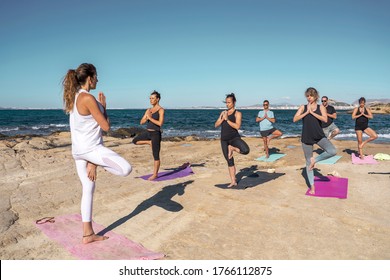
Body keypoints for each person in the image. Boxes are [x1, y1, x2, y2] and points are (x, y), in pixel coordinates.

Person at [63, 63, 132, 244]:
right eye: (96, 76)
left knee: (88, 189)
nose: (98, 80)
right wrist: (104, 107)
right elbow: (106, 127)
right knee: (126, 169)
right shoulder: (88, 98)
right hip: (90, 150)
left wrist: (92, 160)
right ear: (90, 77)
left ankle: (88, 234)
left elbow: (91, 128)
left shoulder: (74, 97)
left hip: (78, 151)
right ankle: (95, 161)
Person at [293, 87, 337, 194]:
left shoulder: (320, 107)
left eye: (311, 96)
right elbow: (295, 119)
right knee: (308, 162)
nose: (309, 98)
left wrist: (312, 113)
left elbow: (325, 119)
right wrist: (306, 112)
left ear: (316, 96)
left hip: (319, 135)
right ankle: (312, 187)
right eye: (307, 96)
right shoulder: (303, 107)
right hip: (307, 137)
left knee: (332, 151)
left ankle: (315, 160)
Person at [215, 93, 250, 187]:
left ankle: (232, 148)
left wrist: (227, 120)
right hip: (224, 140)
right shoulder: (223, 113)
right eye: (226, 102)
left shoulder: (238, 113)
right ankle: (233, 181)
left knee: (246, 150)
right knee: (229, 161)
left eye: (229, 102)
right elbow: (216, 125)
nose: (227, 104)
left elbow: (237, 126)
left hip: (234, 138)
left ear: (234, 102)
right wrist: (222, 118)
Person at [132, 91, 165, 180]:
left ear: (157, 99)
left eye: (152, 98)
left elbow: (160, 123)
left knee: (156, 155)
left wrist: (150, 118)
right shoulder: (148, 110)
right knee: (135, 141)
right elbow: (141, 122)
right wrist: (146, 117)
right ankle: (148, 142)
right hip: (148, 133)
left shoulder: (161, 110)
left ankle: (155, 174)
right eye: (150, 98)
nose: (151, 100)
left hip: (155, 134)